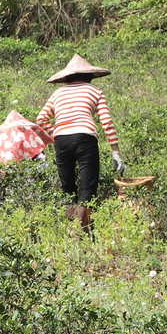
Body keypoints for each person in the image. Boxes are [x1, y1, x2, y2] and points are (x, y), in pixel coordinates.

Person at [35, 55, 125, 233]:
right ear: (89, 75)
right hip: (85, 138)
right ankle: (84, 233)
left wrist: (57, 134)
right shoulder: (95, 91)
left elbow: (41, 119)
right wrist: (115, 152)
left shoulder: (57, 93)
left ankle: (72, 232)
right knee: (87, 186)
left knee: (68, 186)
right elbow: (106, 122)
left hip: (62, 140)